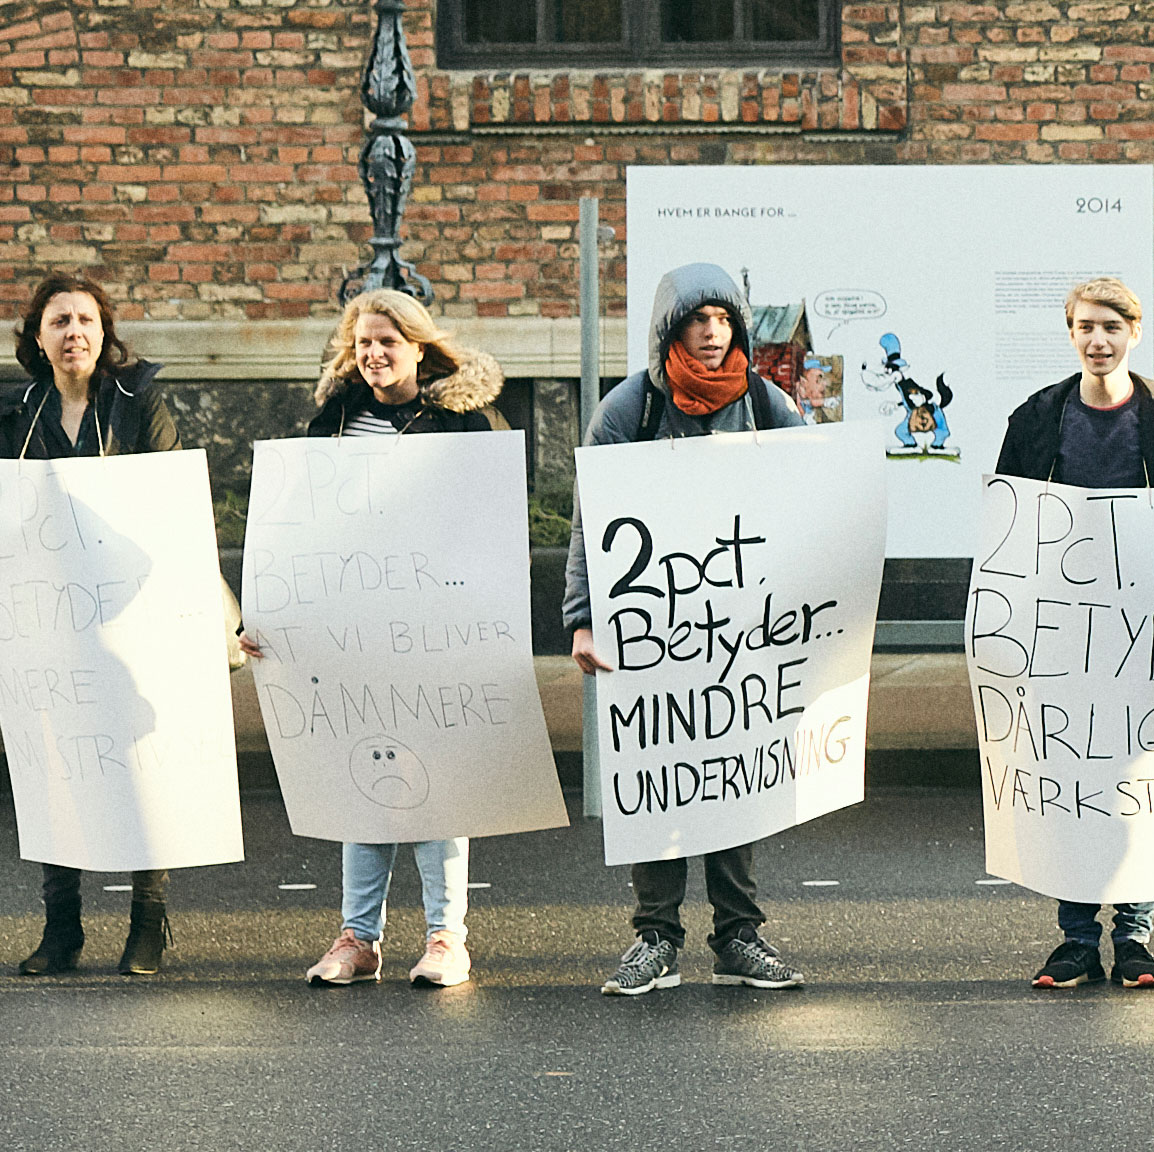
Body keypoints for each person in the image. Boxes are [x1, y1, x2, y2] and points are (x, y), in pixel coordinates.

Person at [568, 261, 819, 999]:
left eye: (722, 320)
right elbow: (590, 518)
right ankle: (656, 937)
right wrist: (583, 618)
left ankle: (739, 935)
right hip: (650, 624)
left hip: (738, 626)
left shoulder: (765, 404)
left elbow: (813, 494)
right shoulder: (630, 410)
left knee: (731, 772)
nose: (712, 333)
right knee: (658, 772)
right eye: (697, 321)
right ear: (669, 330)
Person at [994, 273, 1154, 992]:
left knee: (1140, 779)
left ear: (1134, 333)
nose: (1098, 341)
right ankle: (1074, 941)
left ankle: (1134, 939)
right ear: (1070, 334)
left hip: (1148, 629)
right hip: (1061, 630)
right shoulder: (1036, 419)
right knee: (1070, 774)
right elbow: (1008, 524)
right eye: (1086, 327)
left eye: (1111, 328)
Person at [294, 292, 512, 993]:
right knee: (364, 773)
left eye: (388, 341)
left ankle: (447, 938)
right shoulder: (333, 422)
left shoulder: (466, 422)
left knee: (437, 780)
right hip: (356, 629)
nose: (374, 353)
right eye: (363, 342)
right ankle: (359, 938)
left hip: (439, 628)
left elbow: (493, 524)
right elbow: (297, 526)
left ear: (420, 347)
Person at [15, 272, 187, 977]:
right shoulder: (18, 415)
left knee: (140, 766)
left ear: (104, 332)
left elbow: (171, 500)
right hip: (47, 622)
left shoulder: (139, 403)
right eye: (59, 321)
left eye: (85, 320)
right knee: (55, 768)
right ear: (38, 337)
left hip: (132, 616)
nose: (74, 333)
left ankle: (148, 921)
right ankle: (62, 928)